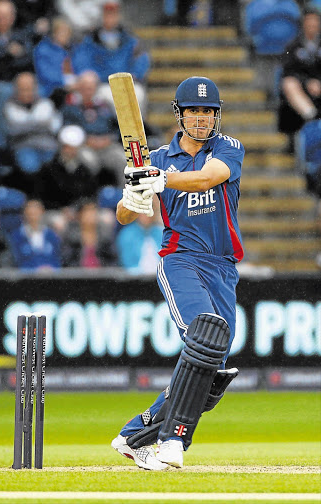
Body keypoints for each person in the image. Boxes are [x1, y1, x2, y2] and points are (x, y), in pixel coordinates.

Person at [111, 76, 244, 470]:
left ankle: (135, 435)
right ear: (179, 114)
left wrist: (159, 179)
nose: (202, 119)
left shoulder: (228, 148)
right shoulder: (159, 158)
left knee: (213, 369)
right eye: (194, 111)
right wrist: (134, 195)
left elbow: (207, 178)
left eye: (208, 112)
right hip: (180, 259)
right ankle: (172, 442)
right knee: (204, 336)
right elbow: (123, 215)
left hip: (222, 265)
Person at [74, 1, 150, 114]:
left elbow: (141, 60)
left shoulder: (129, 38)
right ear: (102, 16)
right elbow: (81, 62)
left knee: (138, 94)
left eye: (113, 14)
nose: (110, 18)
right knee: (108, 98)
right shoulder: (90, 39)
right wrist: (91, 77)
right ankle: (117, 130)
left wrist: (134, 75)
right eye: (107, 14)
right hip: (102, 84)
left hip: (126, 83)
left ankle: (135, 131)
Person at [63, 70, 126, 186]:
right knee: (89, 161)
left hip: (106, 146)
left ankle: (124, 198)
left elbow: (117, 128)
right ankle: (90, 200)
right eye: (84, 88)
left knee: (123, 159)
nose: (88, 92)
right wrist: (85, 140)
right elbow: (67, 131)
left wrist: (109, 139)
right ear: (79, 89)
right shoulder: (71, 108)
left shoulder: (105, 106)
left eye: (91, 88)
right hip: (83, 146)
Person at [0, 0, 33, 132]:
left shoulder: (22, 36)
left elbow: (27, 61)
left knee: (40, 91)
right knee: (4, 91)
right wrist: (7, 52)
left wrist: (7, 56)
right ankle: (4, 136)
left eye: (5, 17)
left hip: (18, 81)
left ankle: (31, 132)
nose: (2, 20)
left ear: (12, 18)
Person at [3, 72, 62, 176]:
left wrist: (26, 125)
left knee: (57, 167)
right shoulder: (9, 106)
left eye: (29, 88)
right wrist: (41, 124)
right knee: (30, 167)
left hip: (49, 146)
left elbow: (54, 127)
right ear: (16, 89)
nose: (26, 93)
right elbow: (12, 130)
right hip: (23, 147)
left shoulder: (46, 103)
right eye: (23, 89)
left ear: (36, 88)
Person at [278, 7, 321, 140]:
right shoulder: (293, 46)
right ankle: (311, 117)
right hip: (302, 90)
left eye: (315, 21)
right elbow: (288, 71)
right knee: (289, 83)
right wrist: (307, 82)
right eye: (309, 21)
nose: (312, 24)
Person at [33, 124, 97, 210]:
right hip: (55, 210)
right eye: (67, 147)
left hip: (79, 210)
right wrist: (61, 209)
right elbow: (42, 196)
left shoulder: (84, 169)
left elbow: (90, 193)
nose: (70, 151)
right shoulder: (49, 169)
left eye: (73, 148)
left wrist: (80, 209)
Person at [10, 199, 61, 272]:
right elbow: (15, 260)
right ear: (24, 213)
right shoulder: (17, 236)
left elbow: (57, 258)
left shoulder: (51, 235)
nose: (33, 215)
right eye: (30, 212)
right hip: (26, 278)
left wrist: (51, 269)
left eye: (36, 211)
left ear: (42, 212)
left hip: (50, 277)